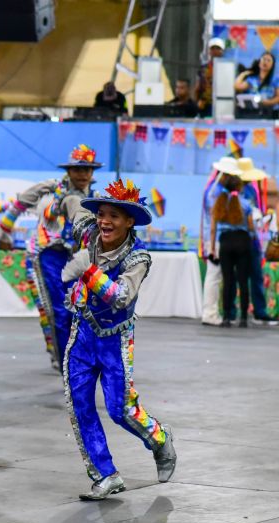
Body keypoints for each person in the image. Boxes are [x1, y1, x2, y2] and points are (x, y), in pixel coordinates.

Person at [60, 179, 176, 500]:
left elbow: (121, 297)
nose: (105, 221)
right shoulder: (89, 234)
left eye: (114, 216)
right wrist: (61, 200)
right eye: (102, 214)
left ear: (129, 222)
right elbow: (72, 208)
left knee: (119, 409)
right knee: (79, 405)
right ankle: (105, 474)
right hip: (82, 336)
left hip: (115, 342)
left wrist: (88, 271)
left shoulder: (138, 259)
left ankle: (160, 438)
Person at [0, 144, 101, 372]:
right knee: (57, 310)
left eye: (88, 170)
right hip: (47, 254)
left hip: (75, 257)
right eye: (79, 170)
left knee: (79, 308)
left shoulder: (95, 198)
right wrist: (4, 229)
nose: (83, 175)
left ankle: (73, 357)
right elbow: (22, 202)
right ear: (69, 171)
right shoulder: (51, 188)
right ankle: (65, 360)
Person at [201, 156, 242, 326]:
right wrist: (211, 246)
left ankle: (209, 311)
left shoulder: (212, 189)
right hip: (215, 239)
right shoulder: (217, 192)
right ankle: (210, 313)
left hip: (212, 238)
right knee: (214, 276)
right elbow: (214, 221)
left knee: (214, 276)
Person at [210, 174, 254, 328]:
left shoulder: (219, 203)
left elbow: (213, 228)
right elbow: (251, 227)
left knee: (227, 281)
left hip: (226, 242)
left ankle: (226, 317)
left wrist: (213, 249)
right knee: (243, 281)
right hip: (243, 242)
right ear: (240, 187)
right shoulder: (246, 204)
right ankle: (243, 318)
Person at [236, 158, 277, 323]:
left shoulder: (252, 190)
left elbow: (257, 212)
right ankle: (239, 312)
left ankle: (259, 311)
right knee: (241, 276)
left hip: (253, 239)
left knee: (256, 275)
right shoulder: (237, 191)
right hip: (242, 237)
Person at [195, 37, 226, 117]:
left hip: (223, 103)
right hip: (206, 103)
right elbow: (198, 86)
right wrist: (198, 100)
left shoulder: (227, 67)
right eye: (212, 48)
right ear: (209, 51)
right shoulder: (203, 68)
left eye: (218, 48)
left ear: (222, 51)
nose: (215, 51)